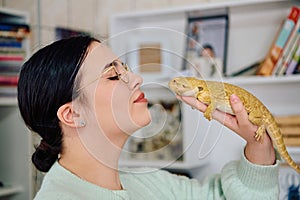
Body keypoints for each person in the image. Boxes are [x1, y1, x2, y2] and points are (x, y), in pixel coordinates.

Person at [17, 35, 279, 200]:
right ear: (72, 113)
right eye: (112, 75)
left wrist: (259, 144)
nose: (137, 78)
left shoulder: (150, 182)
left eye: (126, 69)